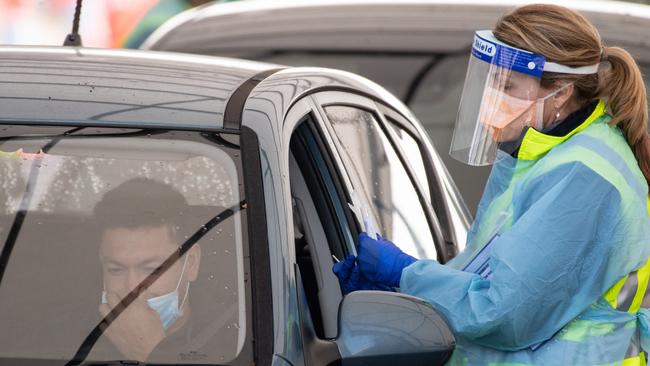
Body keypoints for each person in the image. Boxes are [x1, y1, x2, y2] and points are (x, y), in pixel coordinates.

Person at [334, 4, 650, 365]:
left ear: (561, 92)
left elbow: (503, 312)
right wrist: (398, 297)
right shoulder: (542, 154)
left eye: (507, 85)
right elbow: (483, 275)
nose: (491, 98)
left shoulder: (585, 175)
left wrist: (405, 273)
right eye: (492, 81)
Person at [94, 178, 203, 362]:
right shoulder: (68, 341)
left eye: (152, 270)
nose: (132, 288)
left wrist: (151, 354)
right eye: (115, 269)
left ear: (191, 263)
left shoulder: (237, 341)